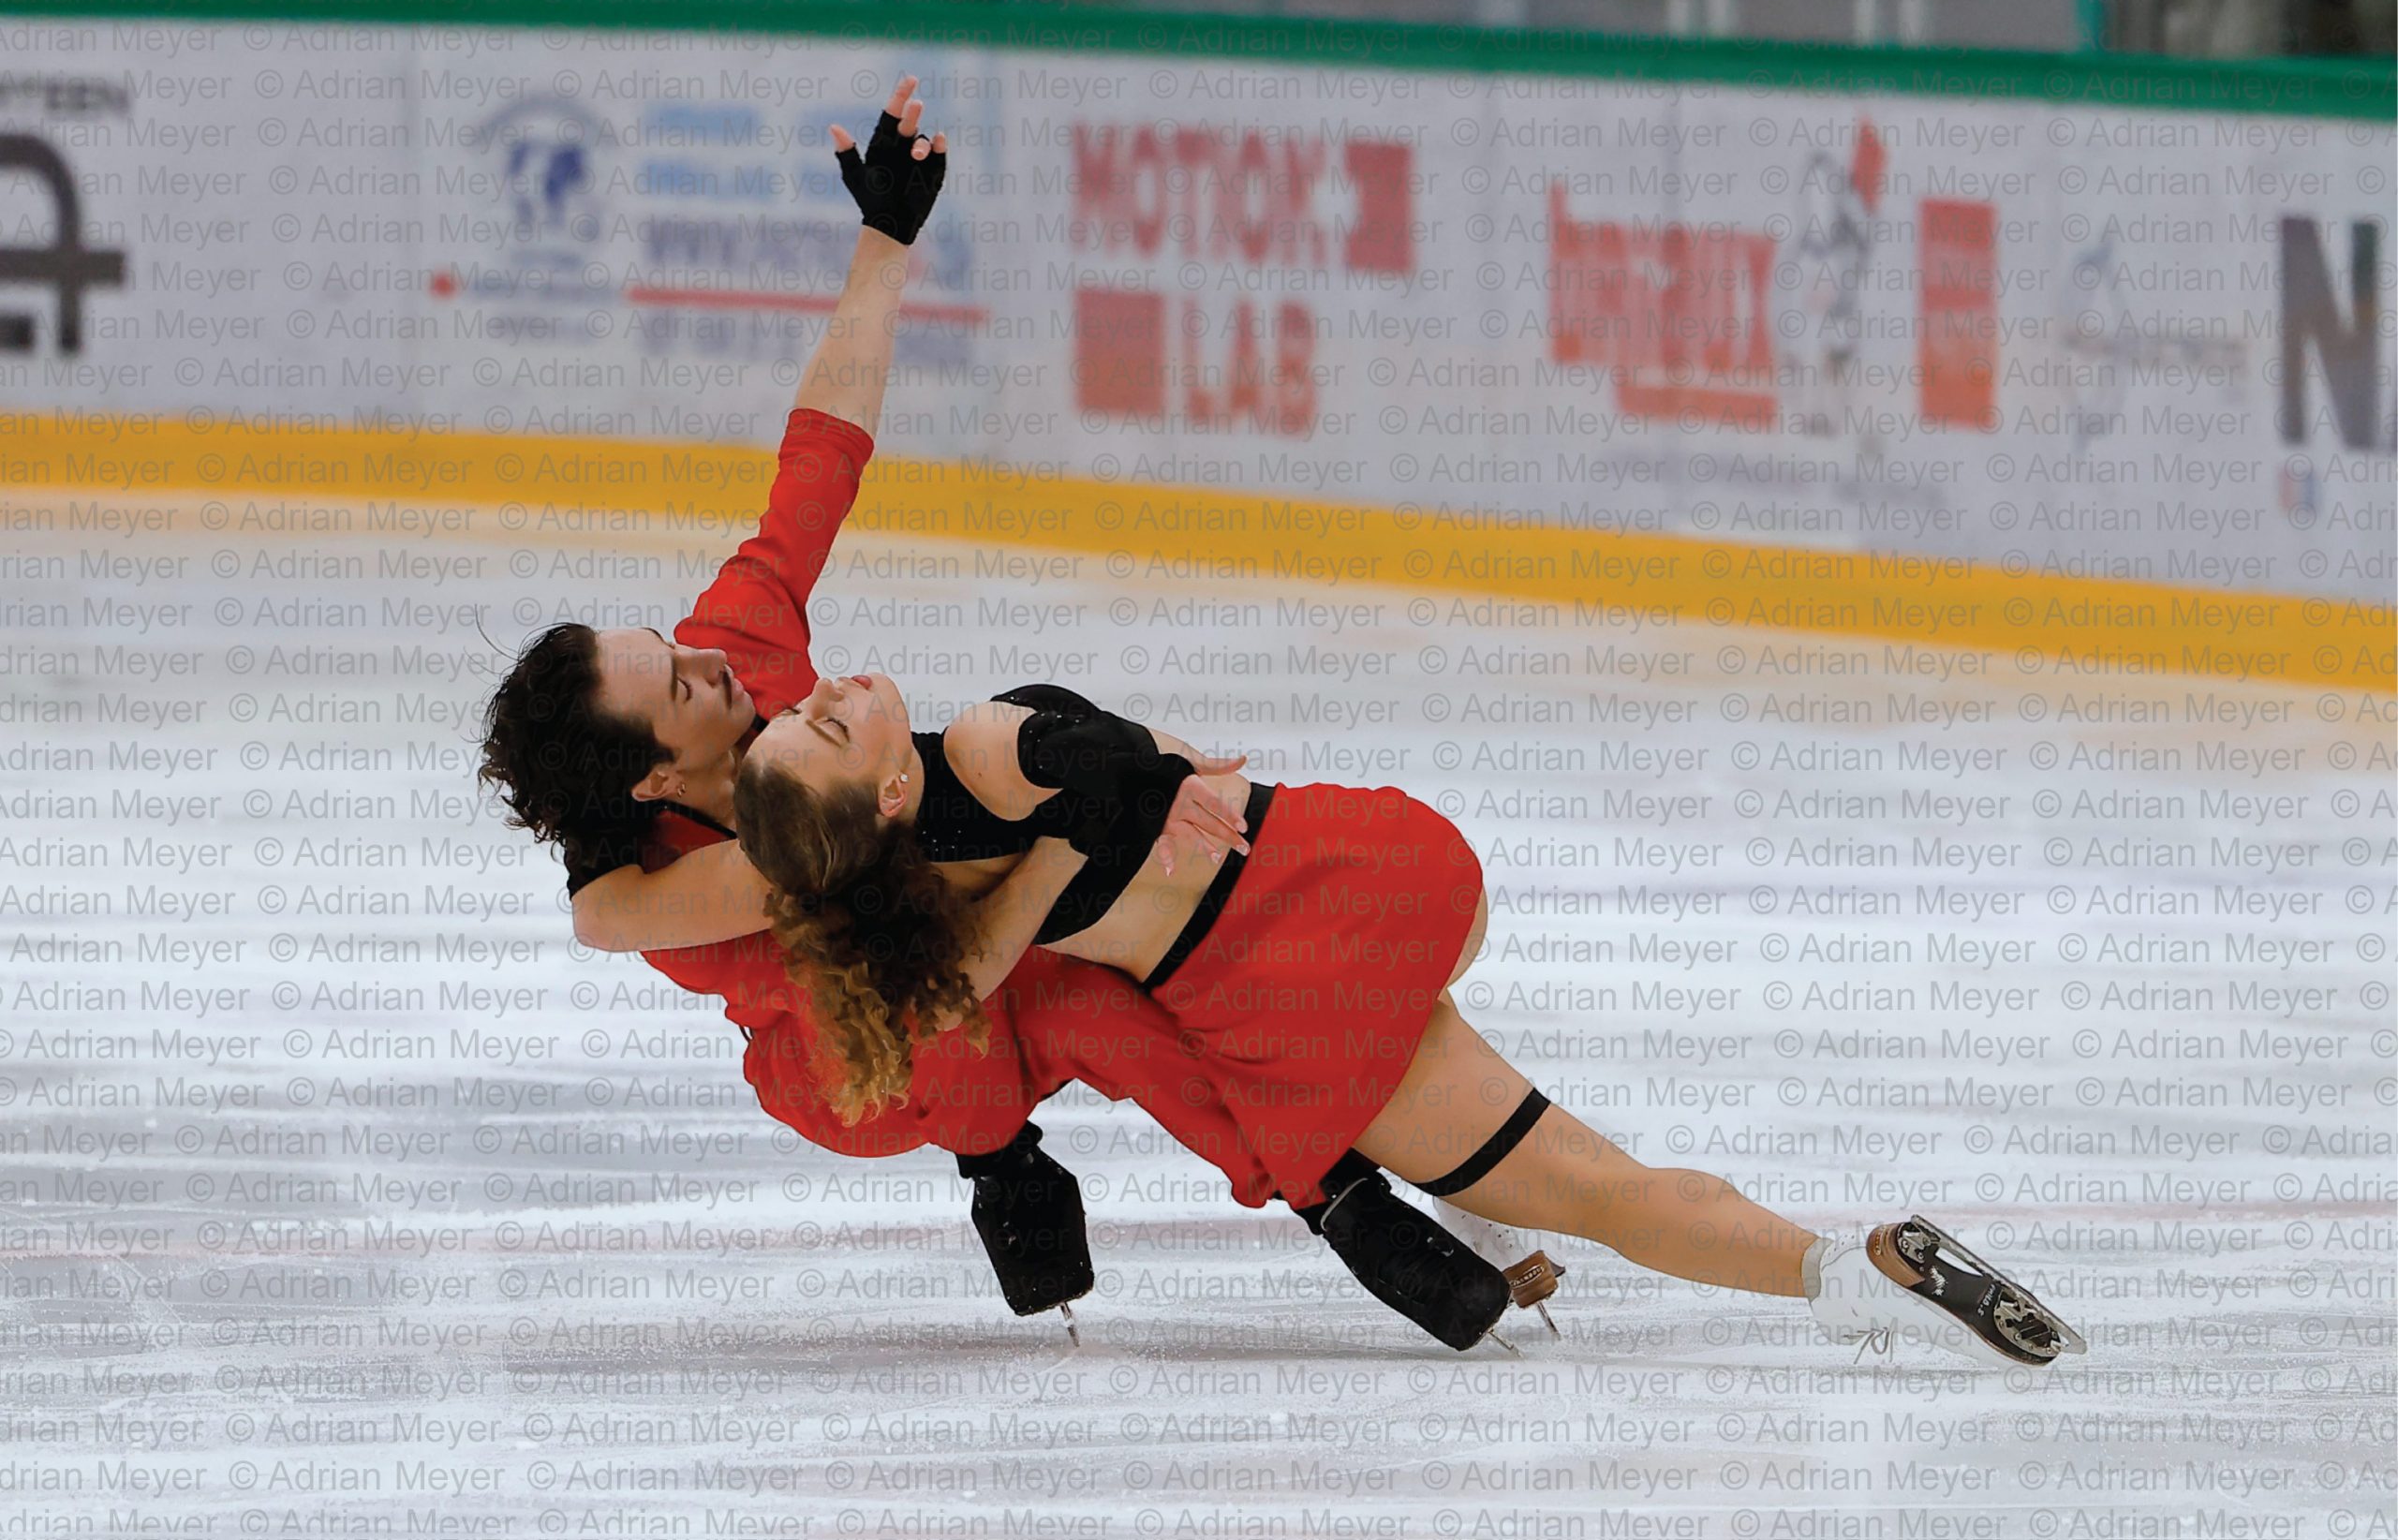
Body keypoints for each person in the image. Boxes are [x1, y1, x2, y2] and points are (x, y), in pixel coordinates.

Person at [476, 77, 1543, 1349]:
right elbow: (826, 920)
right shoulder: (640, 891)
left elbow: (817, 459)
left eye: (679, 646)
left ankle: (1362, 1183)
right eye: (680, 688)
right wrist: (1073, 820)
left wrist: (883, 245)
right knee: (1080, 996)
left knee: (1144, 957)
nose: (712, 663)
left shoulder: (740, 651)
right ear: (653, 781)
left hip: (960, 955)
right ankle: (1226, 1184)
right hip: (860, 1063)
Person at [730, 674, 2089, 1370]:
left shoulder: (941, 932)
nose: (830, 688)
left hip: (1300, 1004)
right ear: (888, 796)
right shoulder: (972, 739)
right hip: (1366, 867)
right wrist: (1139, 783)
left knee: (1606, 1194)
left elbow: (1086, 805)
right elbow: (1084, 760)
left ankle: (1852, 1281)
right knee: (1521, 1150)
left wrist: (1109, 810)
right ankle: (1821, 1269)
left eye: (802, 705)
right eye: (823, 724)